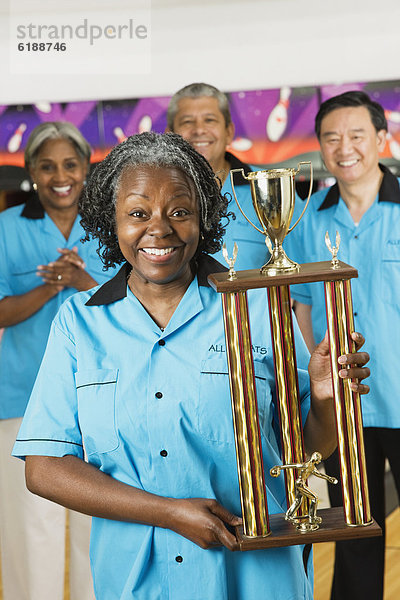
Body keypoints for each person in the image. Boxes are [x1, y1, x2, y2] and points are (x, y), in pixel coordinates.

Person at [12, 132, 370, 600]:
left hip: (258, 576)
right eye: (138, 213)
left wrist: (325, 399)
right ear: (111, 222)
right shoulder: (79, 324)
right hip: (136, 581)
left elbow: (300, 448)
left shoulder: (258, 308)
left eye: (179, 211)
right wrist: (167, 512)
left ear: (204, 218)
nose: (159, 229)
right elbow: (44, 468)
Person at [285, 91, 400, 600]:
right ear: (321, 148)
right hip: (345, 410)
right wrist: (320, 391)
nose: (344, 147)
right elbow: (304, 308)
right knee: (355, 532)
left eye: (356, 135)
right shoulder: (307, 221)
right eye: (332, 137)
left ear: (381, 139)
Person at [0, 121, 116, 600]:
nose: (60, 176)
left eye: (70, 165)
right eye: (46, 166)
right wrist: (49, 285)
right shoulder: (6, 228)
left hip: (100, 393)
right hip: (21, 397)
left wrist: (81, 280)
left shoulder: (111, 222)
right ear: (31, 171)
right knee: (31, 525)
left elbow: (132, 304)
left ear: (86, 169)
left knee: (100, 523)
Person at [167, 82, 268, 270]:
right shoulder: (151, 192)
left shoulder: (267, 187)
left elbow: (299, 269)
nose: (199, 130)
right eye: (187, 122)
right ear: (169, 134)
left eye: (210, 120)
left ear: (229, 132)